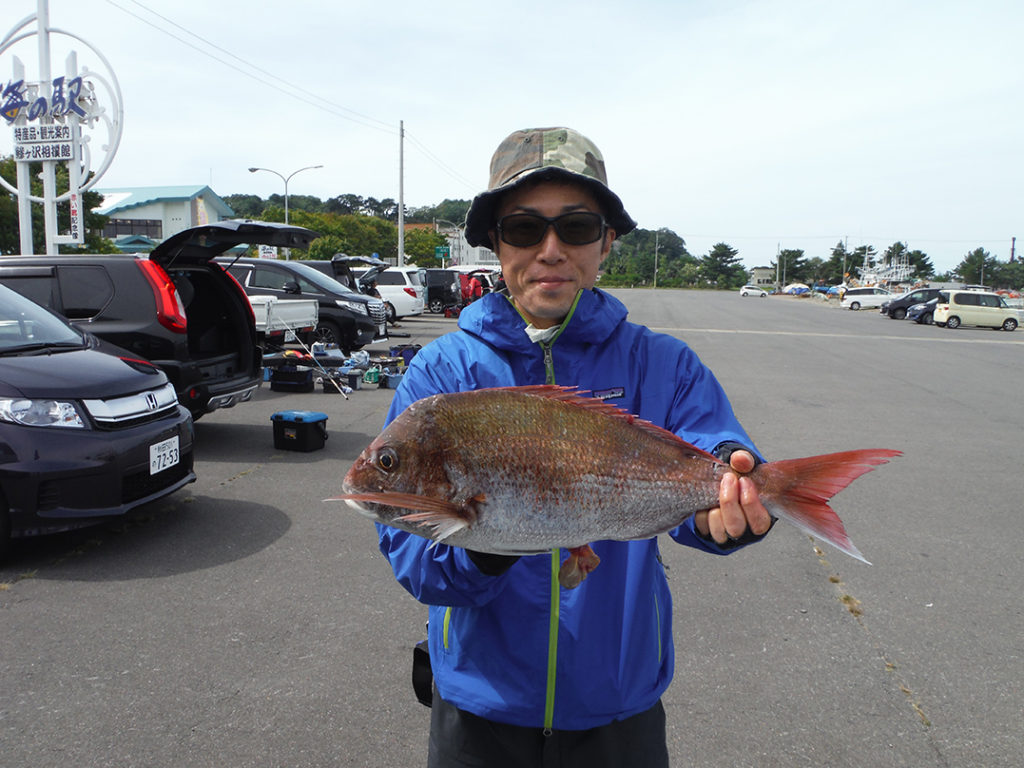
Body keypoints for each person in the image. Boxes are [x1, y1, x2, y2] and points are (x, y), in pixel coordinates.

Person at [376, 127, 774, 767]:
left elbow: (713, 454)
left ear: (608, 242)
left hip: (618, 706)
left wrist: (731, 495)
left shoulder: (662, 363)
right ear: (495, 243)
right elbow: (414, 561)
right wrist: (495, 540)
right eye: (525, 229)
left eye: (579, 227)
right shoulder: (440, 375)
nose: (551, 250)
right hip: (479, 709)